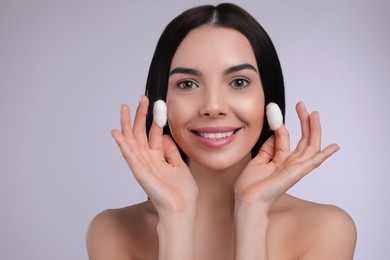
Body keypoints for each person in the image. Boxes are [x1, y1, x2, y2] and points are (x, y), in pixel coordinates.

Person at [86, 3, 357, 259]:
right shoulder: (112, 231)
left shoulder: (326, 229)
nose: (213, 107)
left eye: (239, 82)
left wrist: (253, 211)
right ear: (161, 102)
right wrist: (175, 218)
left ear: (268, 99)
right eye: (188, 84)